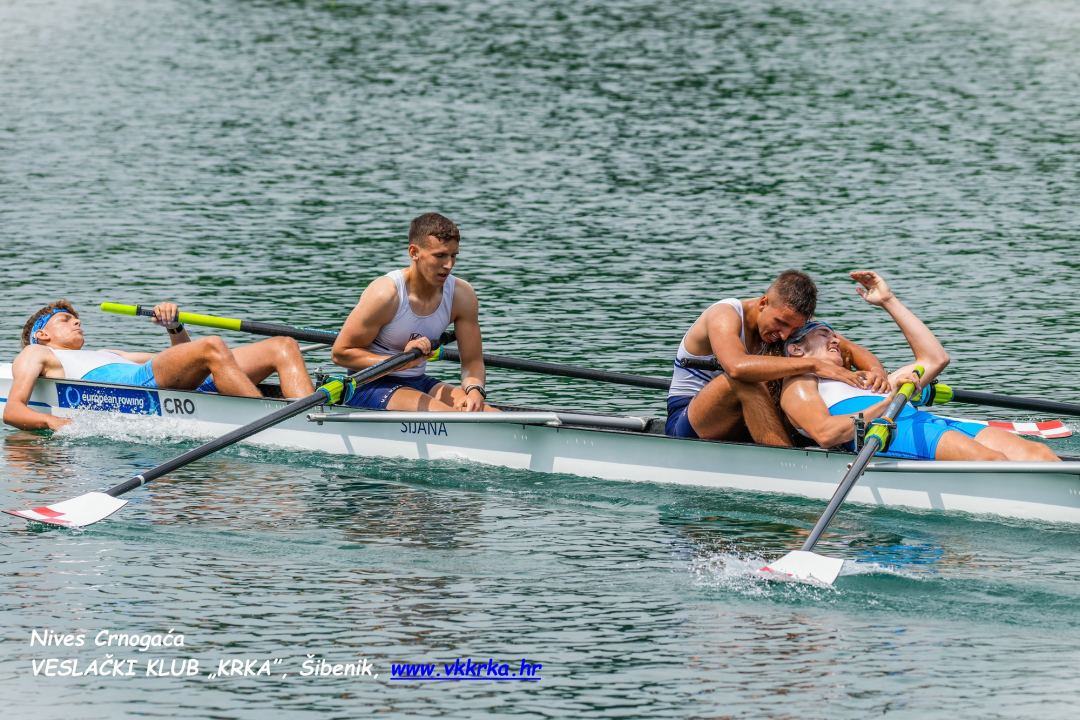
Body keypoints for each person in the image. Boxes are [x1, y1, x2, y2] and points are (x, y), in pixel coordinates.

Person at [780, 270, 1059, 461]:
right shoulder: (800, 385)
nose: (836, 341)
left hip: (925, 422)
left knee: (1040, 454)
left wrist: (888, 301)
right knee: (991, 460)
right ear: (796, 348)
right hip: (885, 434)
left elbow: (935, 359)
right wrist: (891, 400)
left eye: (835, 335)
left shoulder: (864, 379)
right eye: (823, 332)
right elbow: (825, 434)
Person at [4, 300, 315, 431]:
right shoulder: (36, 353)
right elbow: (12, 410)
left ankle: (309, 417)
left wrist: (174, 328)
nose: (77, 321)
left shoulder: (107, 351)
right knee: (212, 345)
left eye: (75, 318)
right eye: (66, 320)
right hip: (136, 389)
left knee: (282, 345)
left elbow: (183, 359)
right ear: (42, 334)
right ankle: (274, 425)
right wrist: (55, 423)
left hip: (159, 380)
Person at [666, 270, 889, 444]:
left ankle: (826, 436)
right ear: (763, 302)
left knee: (821, 357)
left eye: (793, 328)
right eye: (781, 323)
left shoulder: (791, 320)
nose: (783, 334)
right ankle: (785, 459)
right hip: (688, 420)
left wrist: (877, 373)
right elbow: (736, 367)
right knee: (744, 382)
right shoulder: (725, 315)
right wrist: (814, 364)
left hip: (748, 418)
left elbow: (850, 350)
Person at [331, 213, 492, 412]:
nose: (449, 265)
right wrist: (400, 363)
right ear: (414, 252)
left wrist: (475, 391)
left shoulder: (462, 295)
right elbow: (341, 353)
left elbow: (473, 360)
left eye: (453, 256)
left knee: (489, 414)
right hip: (369, 384)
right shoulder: (385, 294)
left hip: (418, 381)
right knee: (452, 417)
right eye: (440, 256)